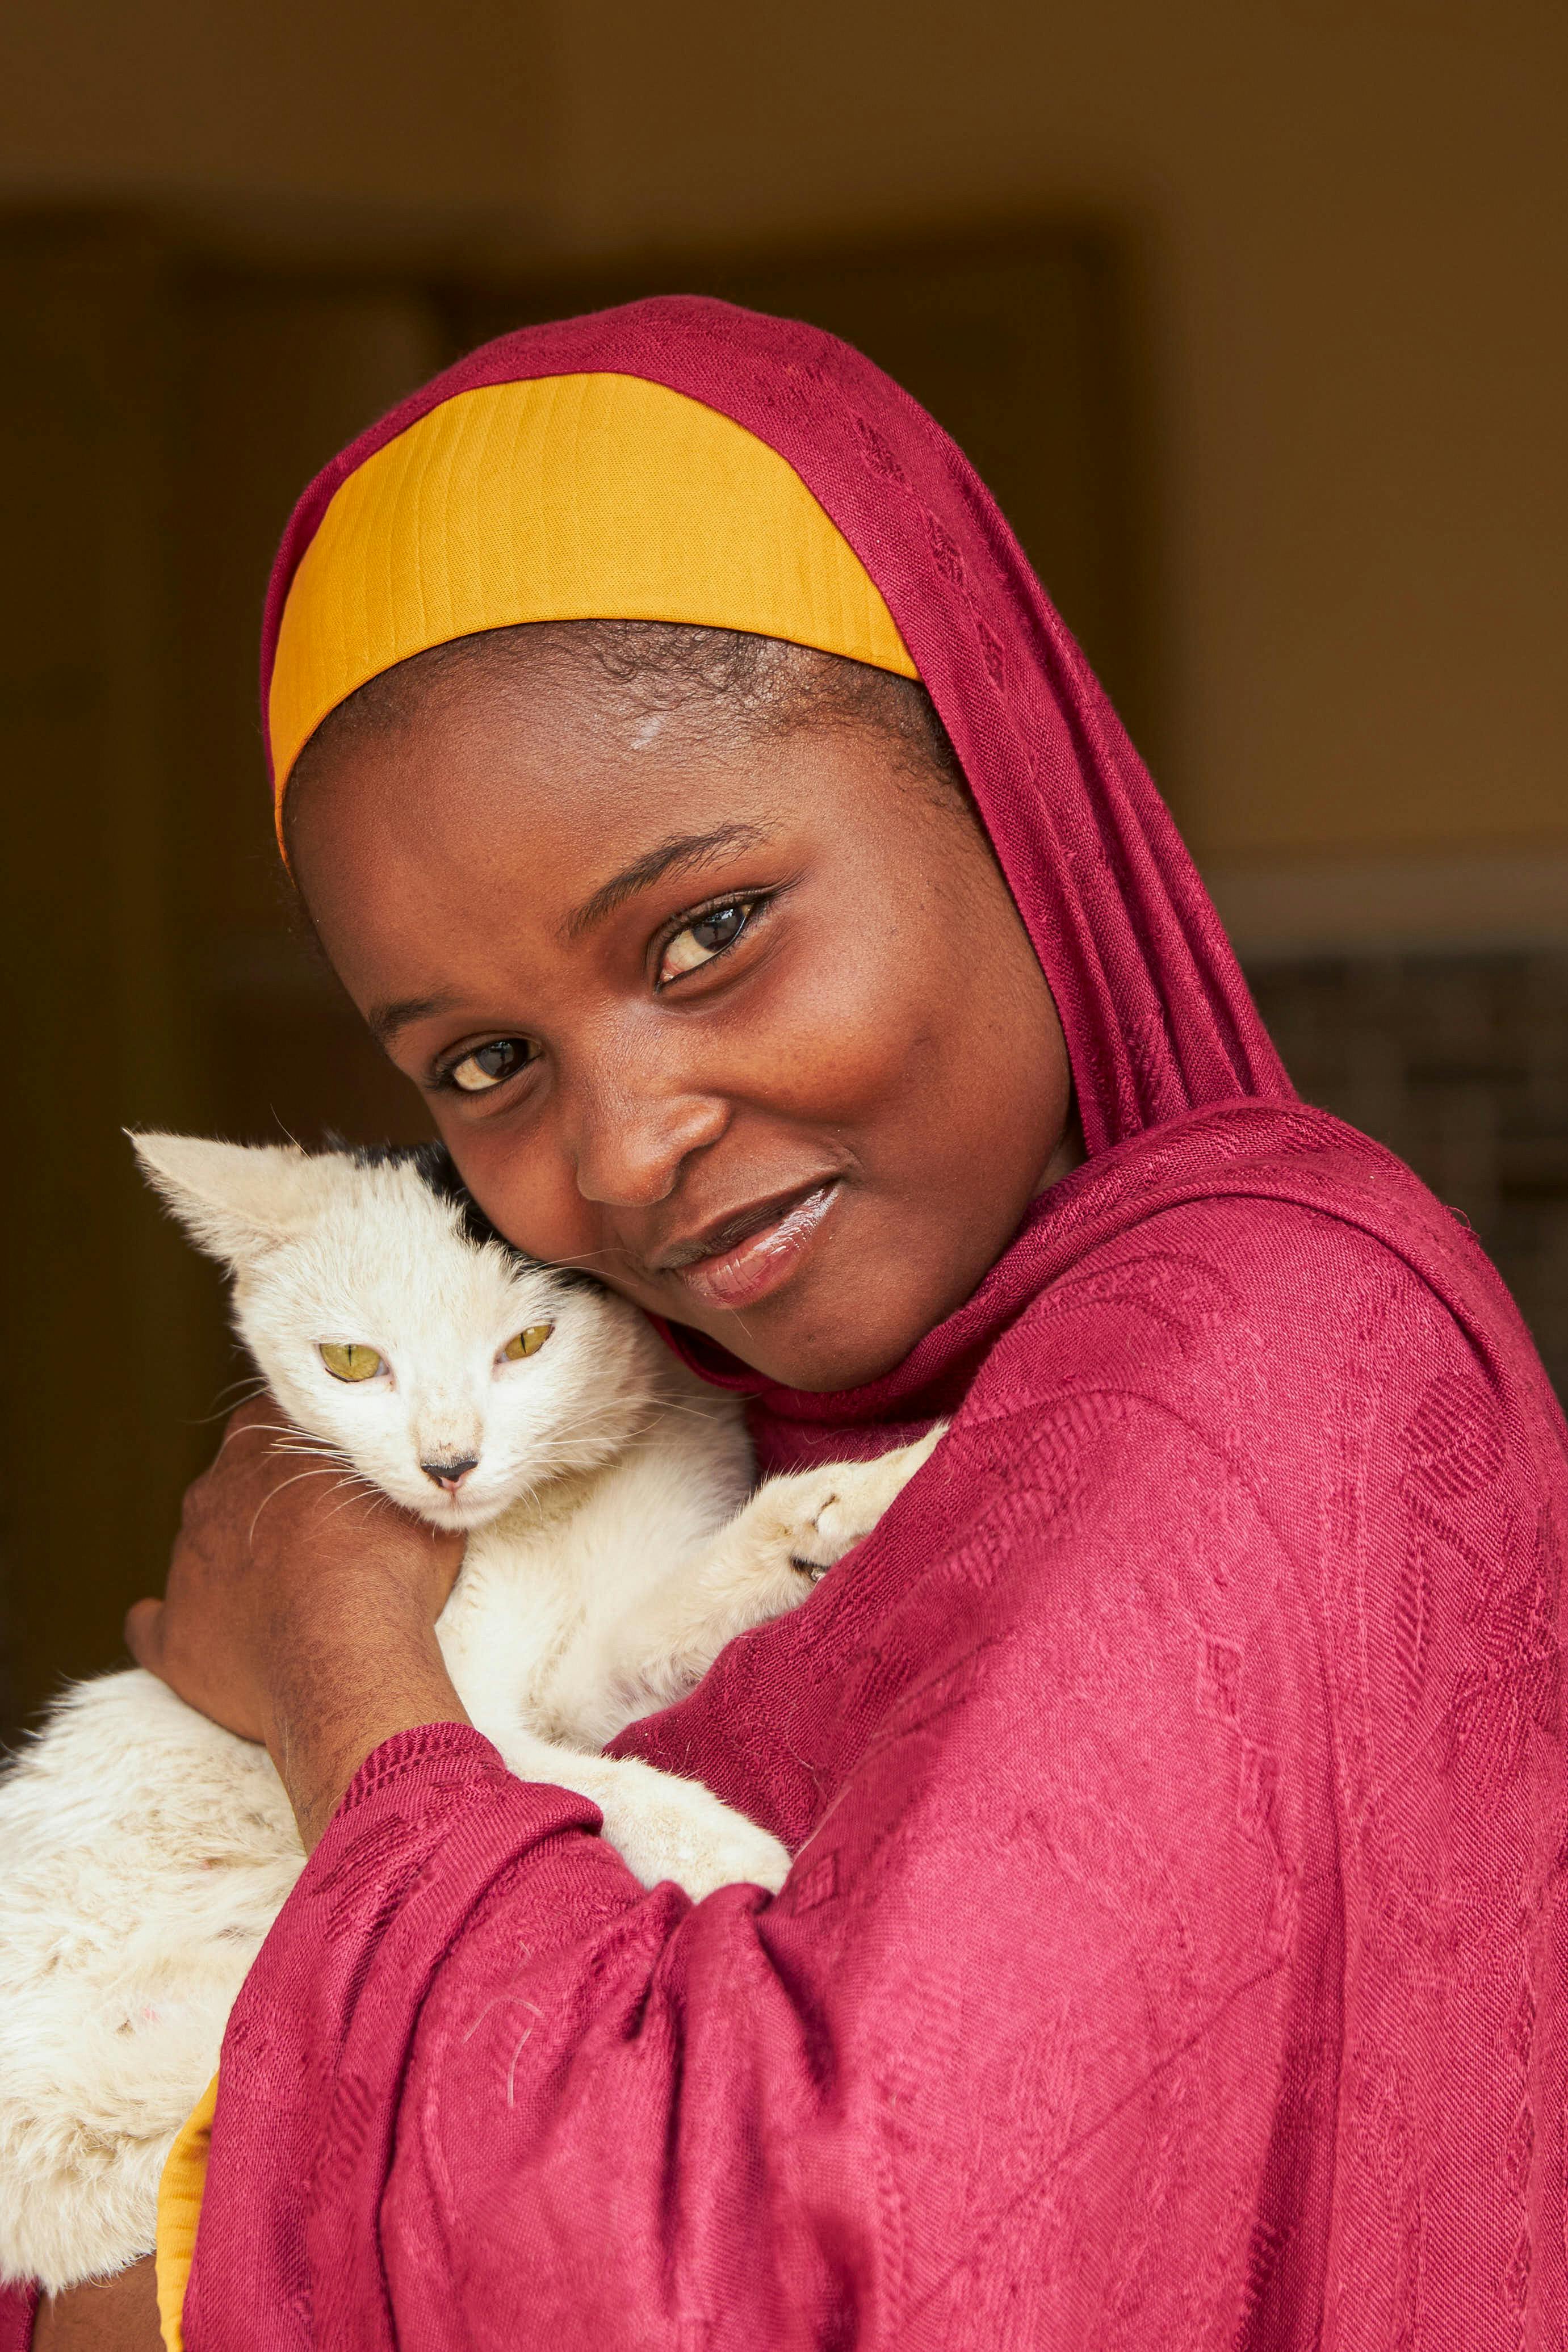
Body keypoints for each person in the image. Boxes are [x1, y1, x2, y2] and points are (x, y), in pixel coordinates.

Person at [18, 299, 1565, 2349]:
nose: (628, 1149)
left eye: (709, 932)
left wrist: (337, 1661)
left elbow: (754, 2284)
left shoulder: (1256, 1356)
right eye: (483, 1065)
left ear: (1007, 800)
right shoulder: (704, 1464)